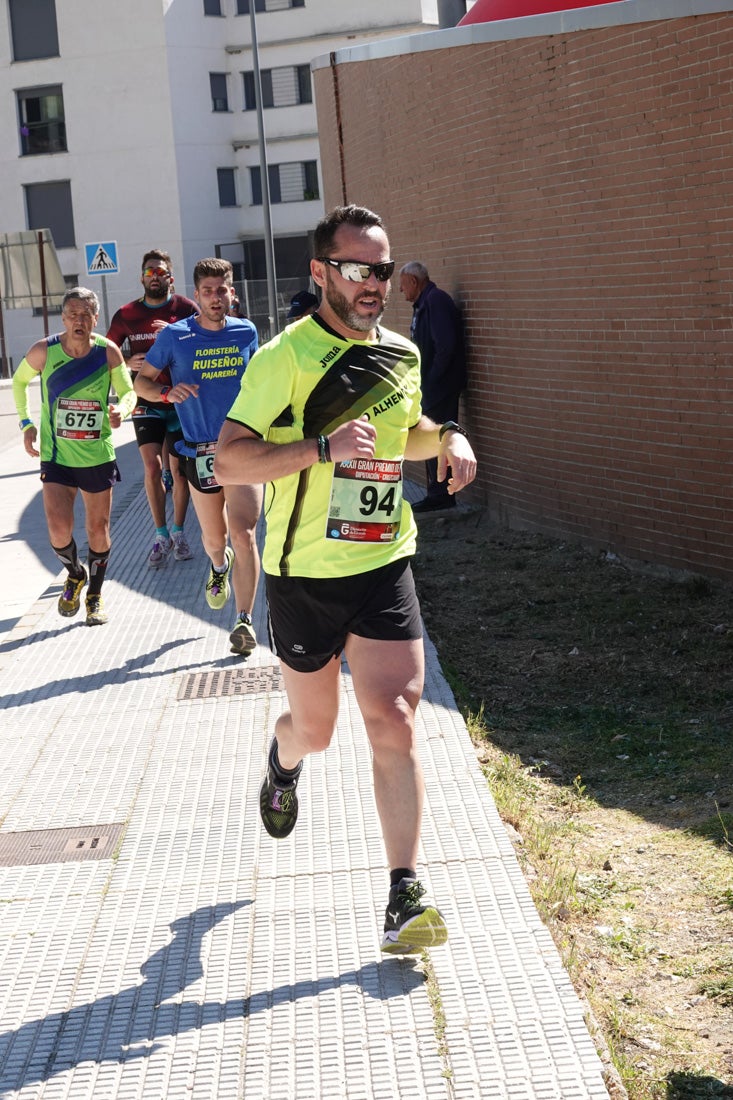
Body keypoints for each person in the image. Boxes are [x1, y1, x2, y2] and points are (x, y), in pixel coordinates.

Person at [215, 204, 477, 954]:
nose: (374, 285)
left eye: (384, 270)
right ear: (321, 272)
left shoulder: (399, 352)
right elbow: (229, 459)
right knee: (317, 731)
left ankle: (403, 894)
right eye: (358, 269)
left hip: (382, 559)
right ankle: (282, 759)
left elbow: (410, 432)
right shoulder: (283, 359)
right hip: (302, 577)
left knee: (394, 717)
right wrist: (316, 448)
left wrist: (449, 437)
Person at [134, 258, 262, 656]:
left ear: (231, 292)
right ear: (197, 295)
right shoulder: (176, 336)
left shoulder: (246, 332)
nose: (214, 298)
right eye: (207, 291)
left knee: (244, 534)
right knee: (214, 539)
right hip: (199, 452)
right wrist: (167, 394)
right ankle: (218, 567)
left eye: (221, 290)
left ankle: (244, 621)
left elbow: (259, 384)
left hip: (242, 449)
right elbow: (142, 383)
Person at [12, 287, 136, 626]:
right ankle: (75, 572)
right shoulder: (44, 351)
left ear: (96, 318)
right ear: (63, 318)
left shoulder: (108, 352)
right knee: (57, 528)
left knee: (98, 529)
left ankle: (94, 597)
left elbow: (129, 392)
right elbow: (20, 382)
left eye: (86, 315)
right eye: (73, 315)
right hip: (56, 456)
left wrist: (121, 411)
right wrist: (25, 423)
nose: (79, 321)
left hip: (96, 455)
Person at [107, 249, 198, 568]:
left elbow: (206, 341)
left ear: (170, 277)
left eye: (160, 272)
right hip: (146, 398)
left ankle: (179, 532)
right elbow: (108, 353)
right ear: (142, 276)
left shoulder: (186, 308)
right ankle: (160, 535)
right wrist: (127, 362)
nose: (155, 276)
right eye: (149, 272)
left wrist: (177, 335)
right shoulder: (126, 314)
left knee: (179, 471)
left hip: (181, 399)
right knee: (150, 467)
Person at [399, 261, 467, 512]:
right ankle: (437, 492)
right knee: (430, 435)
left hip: (440, 386)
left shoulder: (435, 302)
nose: (400, 291)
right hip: (431, 384)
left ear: (415, 282)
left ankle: (442, 494)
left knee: (437, 435)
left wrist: (432, 379)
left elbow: (445, 346)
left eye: (403, 285)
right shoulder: (424, 304)